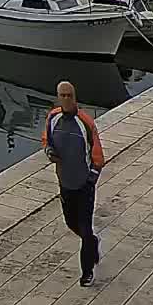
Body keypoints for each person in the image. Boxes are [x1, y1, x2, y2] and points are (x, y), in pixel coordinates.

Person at [41, 81, 104, 286]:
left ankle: (87, 272)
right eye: (63, 95)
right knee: (71, 223)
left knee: (85, 227)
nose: (66, 99)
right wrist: (49, 152)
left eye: (69, 95)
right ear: (58, 97)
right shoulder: (53, 118)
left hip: (84, 185)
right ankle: (92, 242)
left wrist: (91, 179)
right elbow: (46, 141)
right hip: (65, 183)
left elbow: (98, 156)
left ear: (75, 96)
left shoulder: (85, 122)